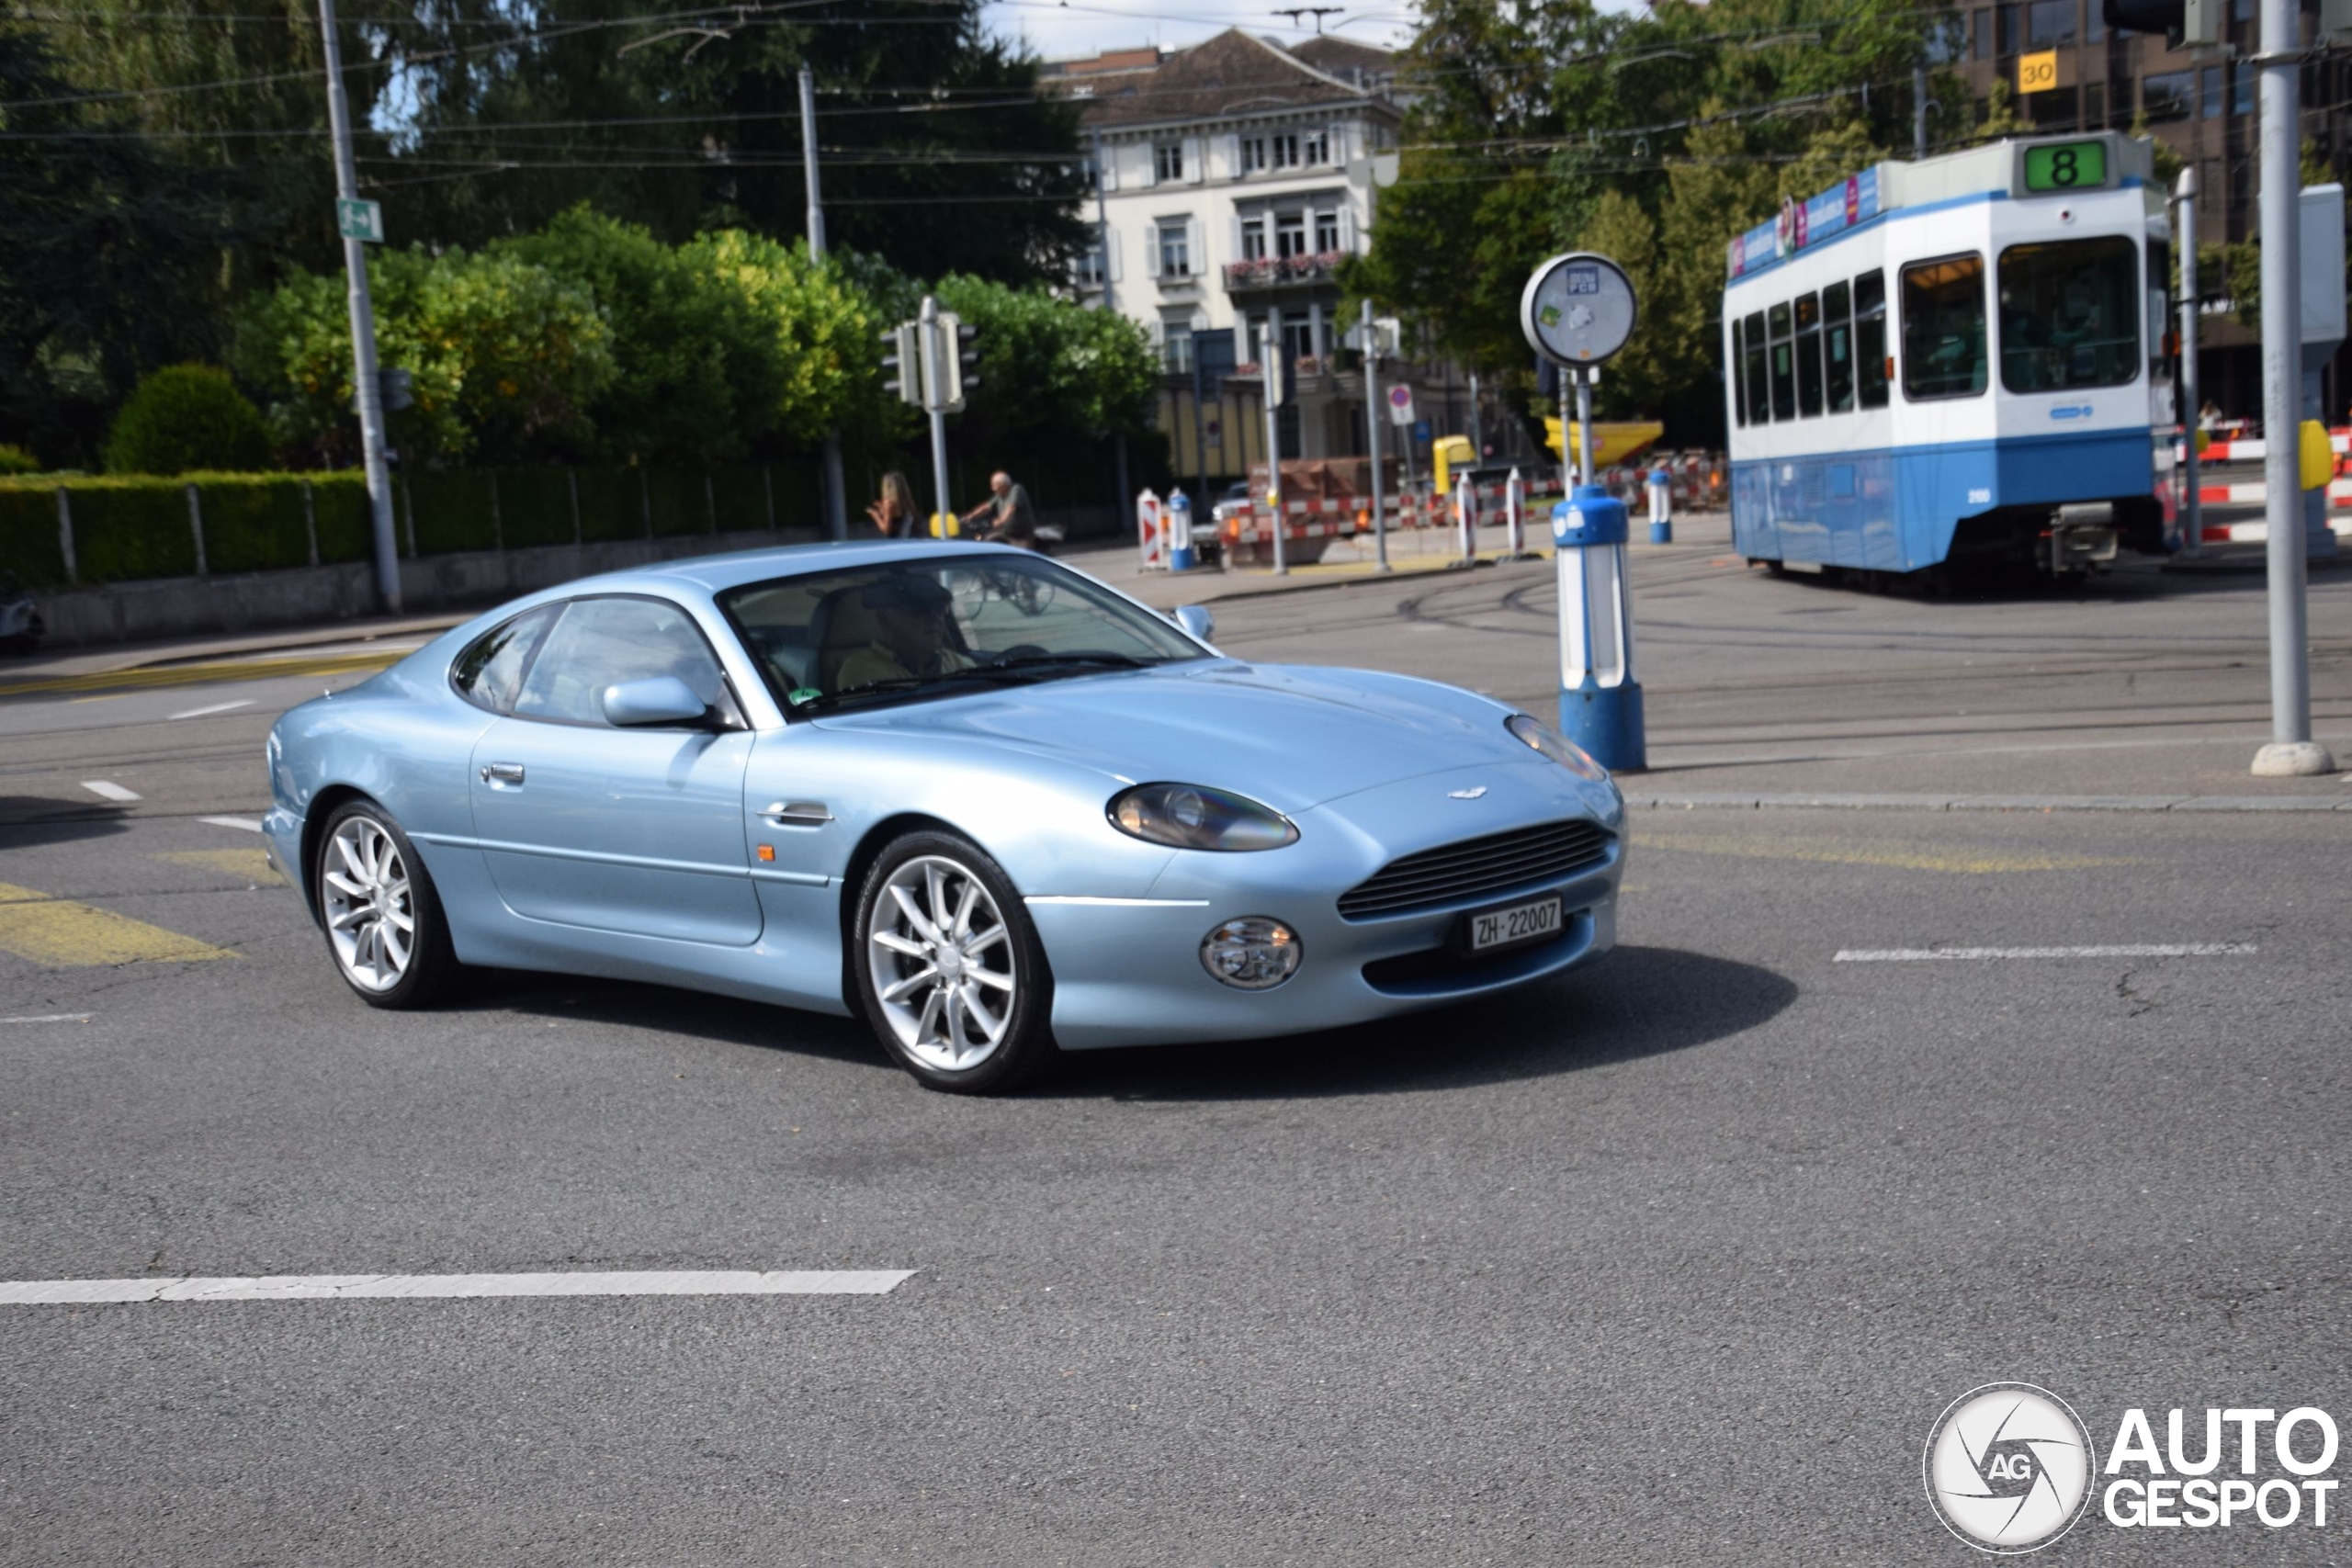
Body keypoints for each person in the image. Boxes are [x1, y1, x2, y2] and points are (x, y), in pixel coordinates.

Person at [835, 575, 974, 692]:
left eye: (940, 608)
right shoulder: (862, 669)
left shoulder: (956, 662)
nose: (935, 618)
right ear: (885, 619)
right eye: (921, 609)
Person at [961, 469, 1039, 547]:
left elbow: (1011, 508)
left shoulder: (1016, 489)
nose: (992, 488)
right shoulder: (1000, 494)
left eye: (994, 485)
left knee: (1022, 556)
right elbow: (986, 507)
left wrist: (1000, 521)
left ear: (1003, 485)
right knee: (987, 541)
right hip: (1005, 533)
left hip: (1022, 536)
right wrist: (970, 516)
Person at [865, 471, 919, 539]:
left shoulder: (888, 504)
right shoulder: (907, 502)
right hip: (910, 538)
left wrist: (875, 515)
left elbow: (886, 529)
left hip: (897, 541)